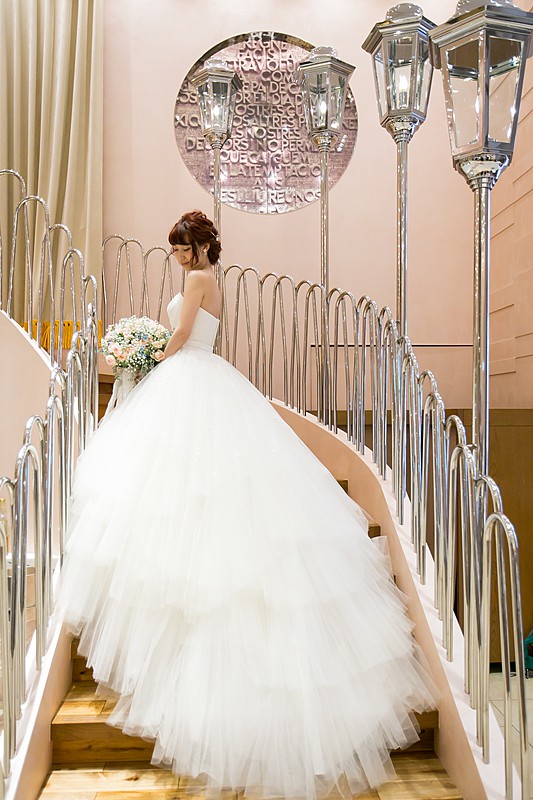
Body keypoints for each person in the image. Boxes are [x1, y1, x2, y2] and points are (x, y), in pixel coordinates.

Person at [59, 210, 436, 800]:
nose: (176, 255)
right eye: (174, 248)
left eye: (180, 246)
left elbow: (183, 336)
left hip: (188, 376)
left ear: (198, 246)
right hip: (203, 377)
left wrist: (146, 362)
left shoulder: (197, 280)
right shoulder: (211, 279)